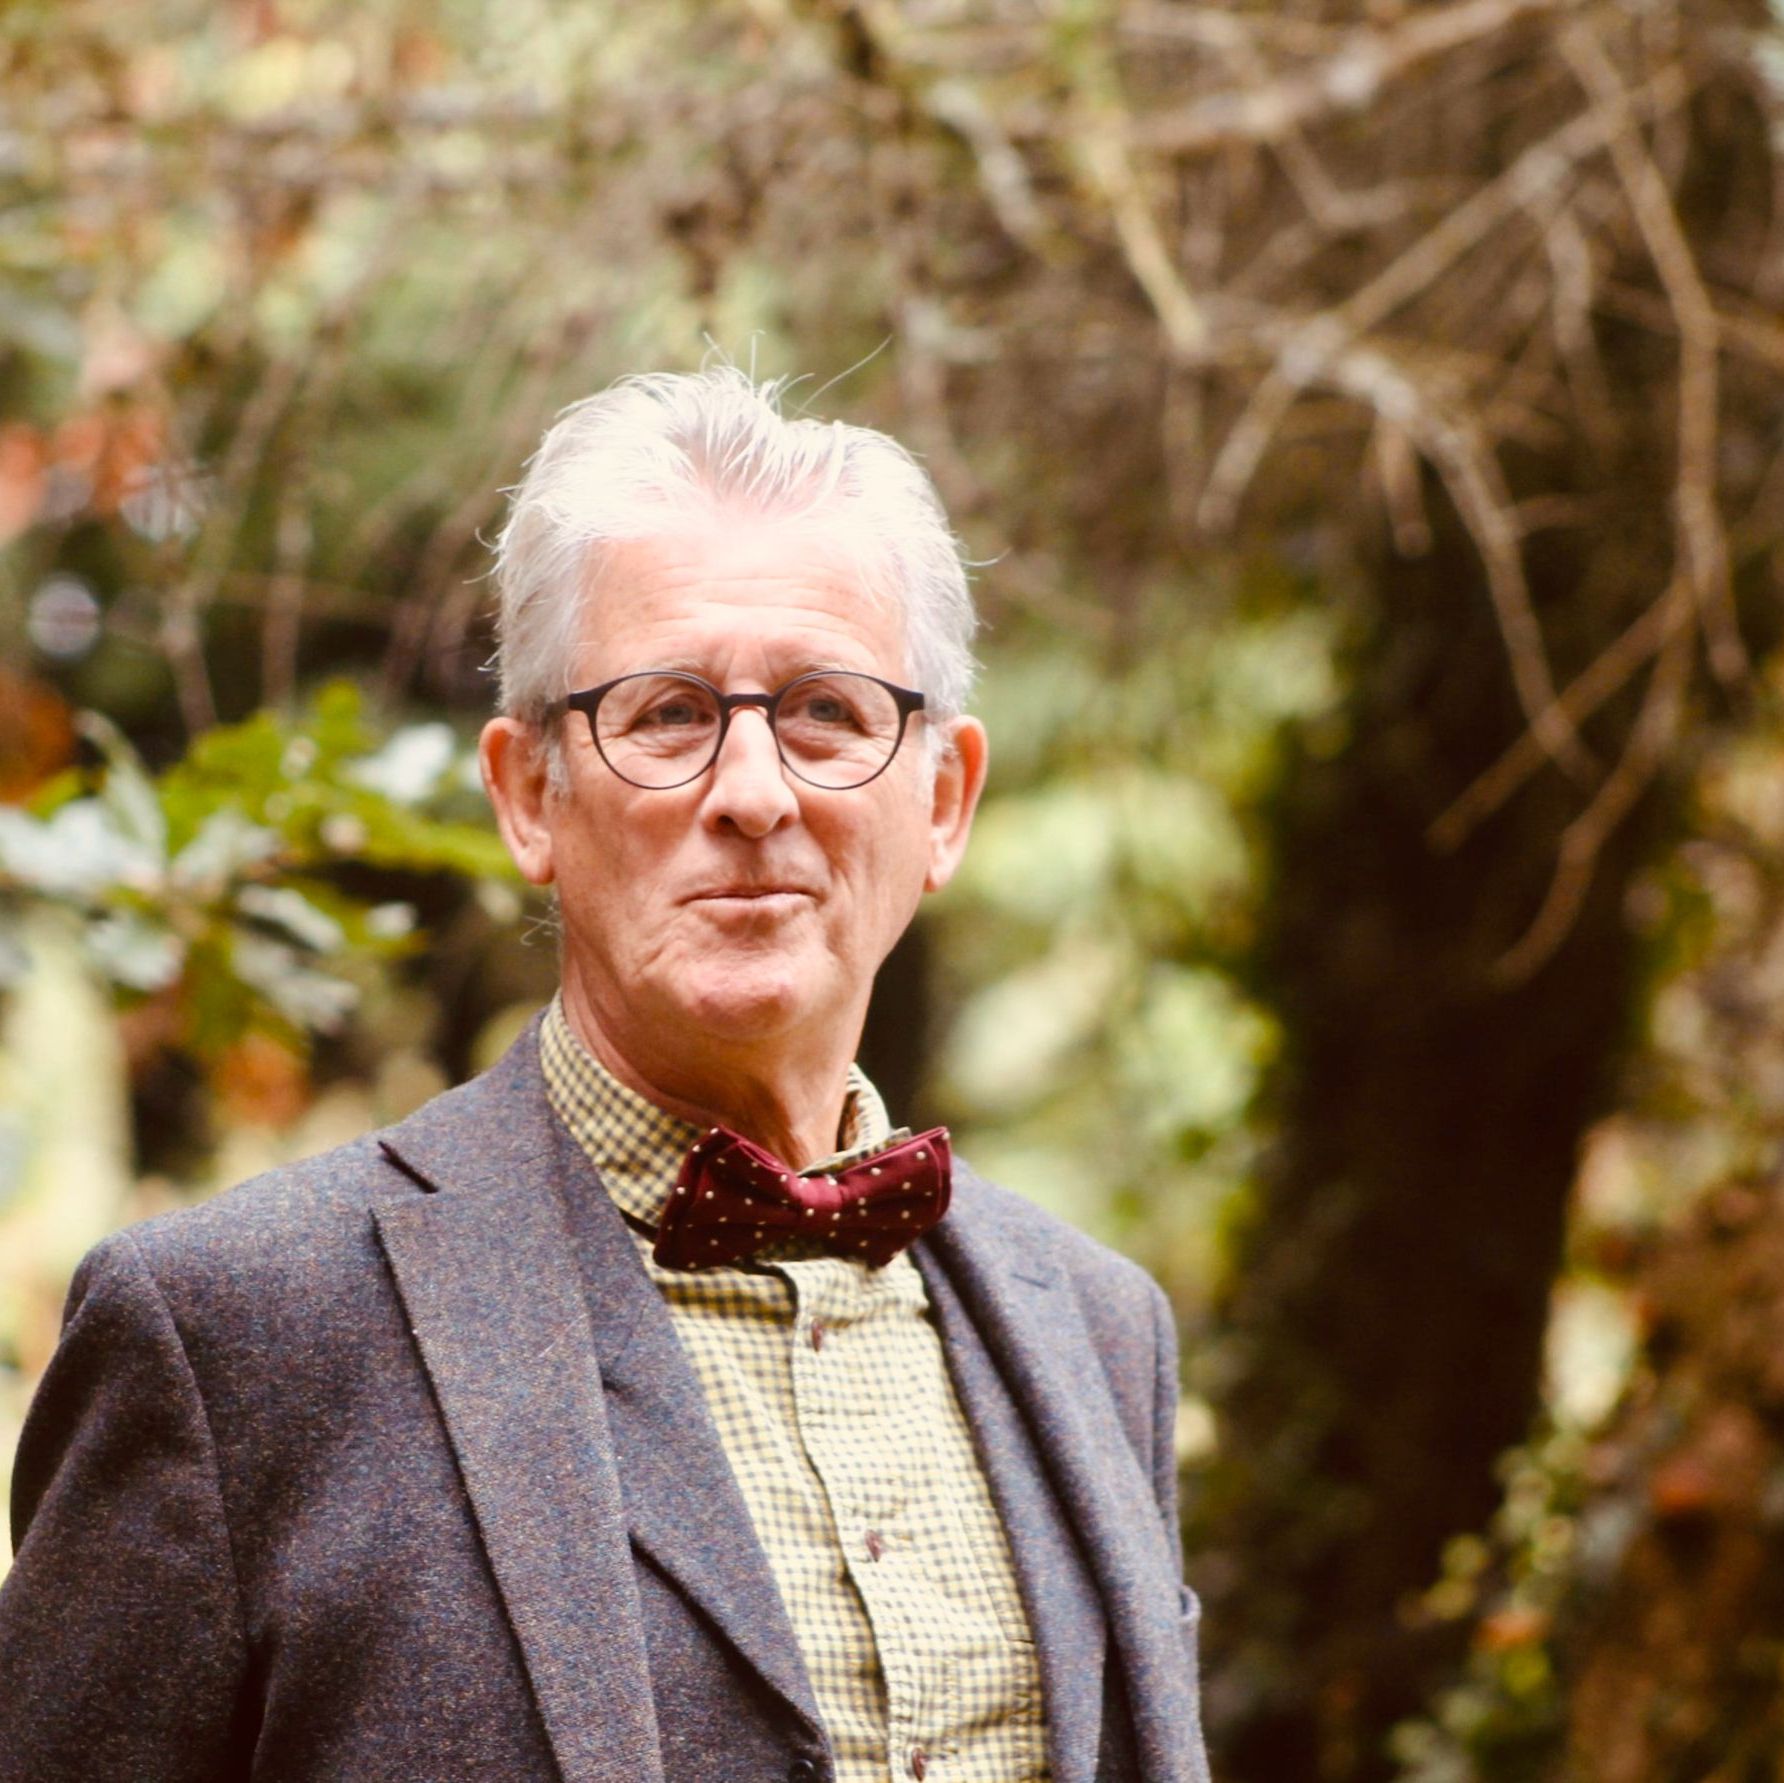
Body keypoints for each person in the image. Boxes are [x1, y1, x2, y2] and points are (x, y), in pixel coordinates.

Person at [0, 368, 1209, 1783]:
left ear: (940, 800)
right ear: (528, 796)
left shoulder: (1103, 1334)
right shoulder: (234, 1341)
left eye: (827, 709)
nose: (755, 791)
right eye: (668, 714)